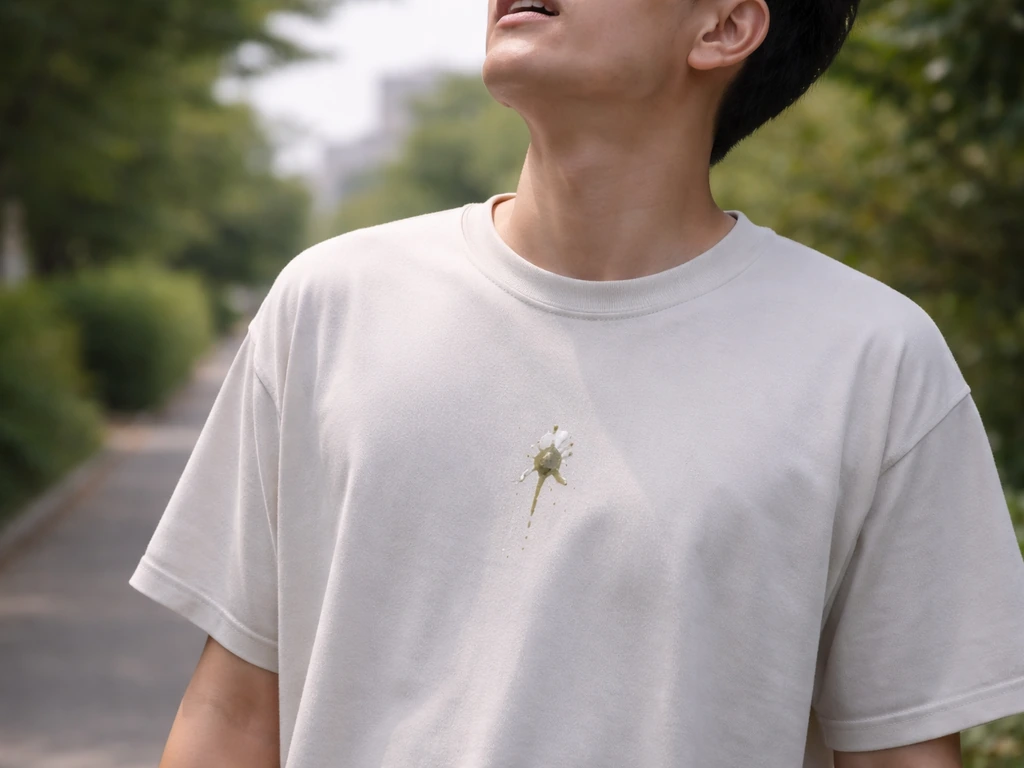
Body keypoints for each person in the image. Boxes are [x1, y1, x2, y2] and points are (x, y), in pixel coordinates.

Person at [129, 0, 1024, 765]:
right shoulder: (328, 305)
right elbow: (234, 713)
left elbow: (901, 751)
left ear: (723, 25)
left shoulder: (872, 358)